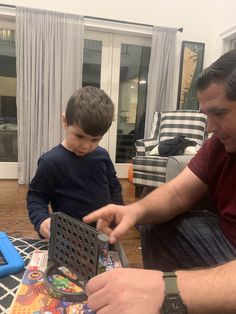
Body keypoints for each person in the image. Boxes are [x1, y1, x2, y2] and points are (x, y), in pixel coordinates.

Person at [83, 50, 236, 313]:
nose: (209, 127)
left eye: (219, 113)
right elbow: (177, 193)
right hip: (225, 237)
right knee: (151, 223)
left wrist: (168, 289)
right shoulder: (217, 146)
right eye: (205, 115)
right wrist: (134, 211)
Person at [27, 86, 123, 239]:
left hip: (102, 234)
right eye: (79, 136)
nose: (86, 146)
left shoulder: (102, 155)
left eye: (95, 139)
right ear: (65, 121)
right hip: (67, 237)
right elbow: (36, 197)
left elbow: (114, 188)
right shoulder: (50, 161)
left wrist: (118, 213)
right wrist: (42, 220)